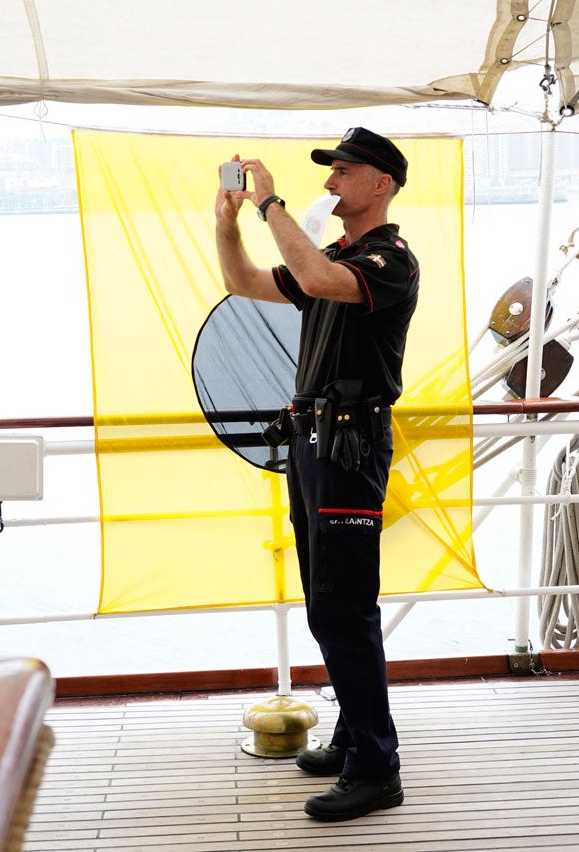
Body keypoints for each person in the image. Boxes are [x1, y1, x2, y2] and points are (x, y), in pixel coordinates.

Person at [214, 127, 417, 821]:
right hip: (315, 440)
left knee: (343, 603)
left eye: (343, 172)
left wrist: (270, 202)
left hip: (350, 441)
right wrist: (227, 224)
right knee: (325, 600)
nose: (330, 183)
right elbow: (241, 282)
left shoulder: (390, 259)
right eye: (329, 173)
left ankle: (376, 766)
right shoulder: (333, 255)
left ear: (381, 184)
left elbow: (317, 279)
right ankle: (352, 732)